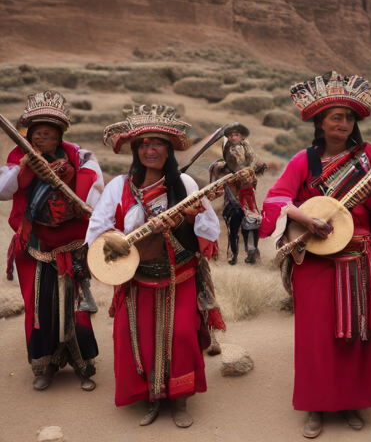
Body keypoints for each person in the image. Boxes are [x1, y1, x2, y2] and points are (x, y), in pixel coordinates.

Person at [259, 72, 371, 437]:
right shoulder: (304, 161)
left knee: (358, 333)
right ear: (320, 122)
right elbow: (276, 200)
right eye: (335, 117)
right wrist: (303, 217)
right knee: (316, 337)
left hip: (361, 259)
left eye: (349, 117)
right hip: (316, 263)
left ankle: (349, 403)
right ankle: (315, 406)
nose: (343, 123)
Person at [85, 104, 224, 427]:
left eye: (158, 143)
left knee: (181, 337)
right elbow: (97, 231)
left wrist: (194, 216)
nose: (151, 150)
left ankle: (180, 402)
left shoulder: (187, 186)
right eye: (144, 144)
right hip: (137, 279)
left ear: (168, 149)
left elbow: (210, 231)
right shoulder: (119, 186)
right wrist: (126, 242)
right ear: (136, 150)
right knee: (137, 338)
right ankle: (151, 397)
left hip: (180, 277)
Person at [0, 91, 104, 391]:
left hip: (71, 247)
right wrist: (24, 168)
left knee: (75, 306)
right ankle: (46, 365)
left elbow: (93, 191)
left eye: (47, 133)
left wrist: (74, 185)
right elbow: (5, 190)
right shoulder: (19, 159)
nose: (40, 138)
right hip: (36, 247)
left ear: (59, 137)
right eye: (36, 133)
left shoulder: (80, 158)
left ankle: (83, 364)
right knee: (40, 306)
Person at [209, 123, 264, 265]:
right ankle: (232, 255)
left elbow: (254, 161)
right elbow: (228, 164)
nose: (234, 137)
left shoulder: (247, 148)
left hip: (246, 190)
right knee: (232, 223)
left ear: (242, 136)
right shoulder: (227, 149)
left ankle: (252, 252)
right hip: (232, 190)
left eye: (236, 135)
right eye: (231, 135)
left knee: (251, 222)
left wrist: (249, 171)